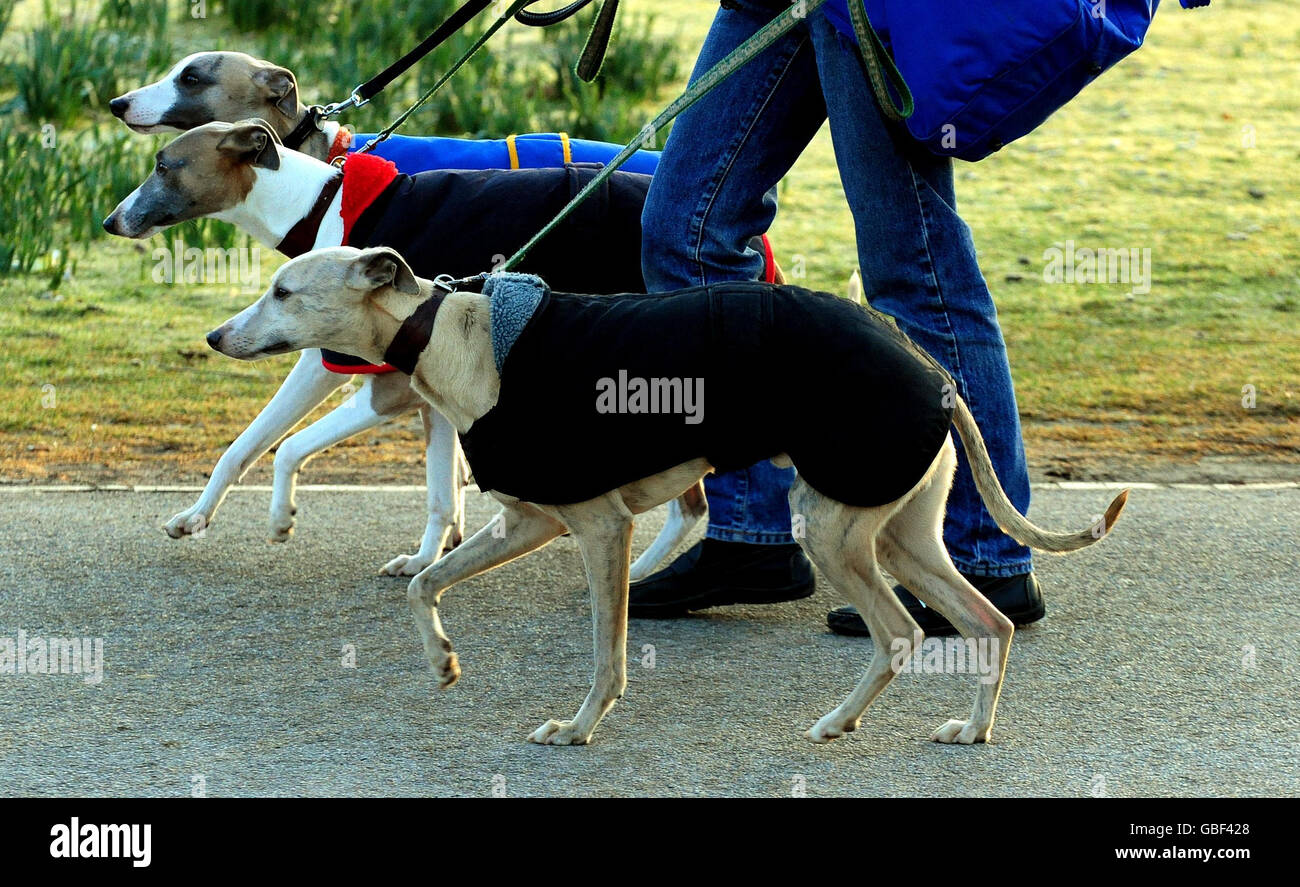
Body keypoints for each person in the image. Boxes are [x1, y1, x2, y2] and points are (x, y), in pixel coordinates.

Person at [630, 0, 1043, 636]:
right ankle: (752, 534)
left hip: (867, 8)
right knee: (686, 232)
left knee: (914, 260)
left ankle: (982, 558)